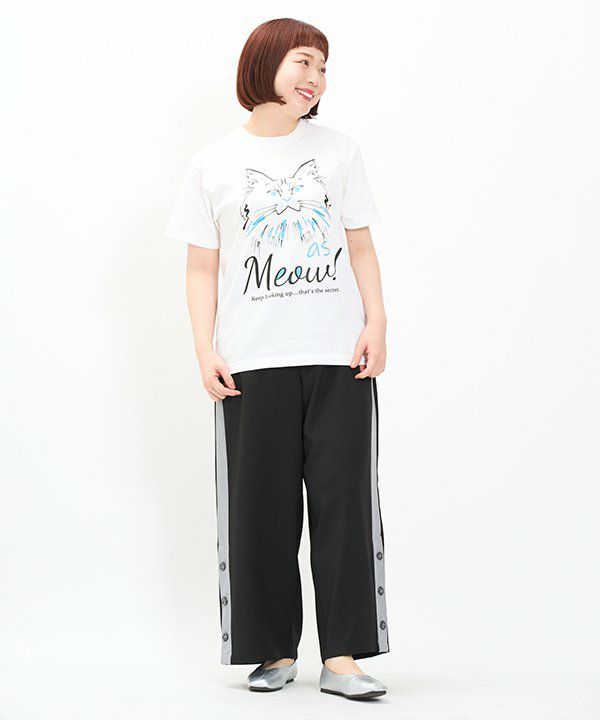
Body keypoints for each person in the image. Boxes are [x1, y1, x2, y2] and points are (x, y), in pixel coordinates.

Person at [164, 17, 390, 700]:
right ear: (264, 63)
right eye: (303, 61)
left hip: (337, 354)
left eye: (322, 67)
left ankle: (343, 658)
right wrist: (204, 346)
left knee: (345, 505)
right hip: (251, 360)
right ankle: (273, 651)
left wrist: (377, 321)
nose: (314, 78)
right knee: (259, 508)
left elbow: (360, 245)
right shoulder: (211, 164)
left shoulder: (339, 152)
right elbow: (202, 267)